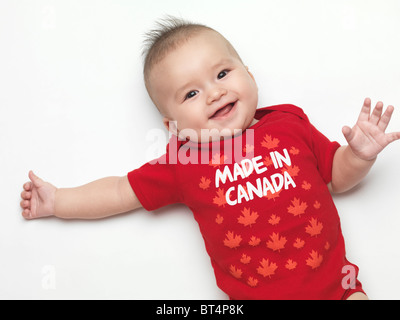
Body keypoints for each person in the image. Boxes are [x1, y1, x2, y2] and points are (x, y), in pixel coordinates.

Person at [20, 17, 400, 299]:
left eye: (222, 73)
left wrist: (359, 156)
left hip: (338, 289)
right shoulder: (183, 161)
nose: (214, 93)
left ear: (249, 75)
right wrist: (59, 201)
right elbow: (120, 190)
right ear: (172, 126)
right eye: (190, 94)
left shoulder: (288, 122)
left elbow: (336, 177)